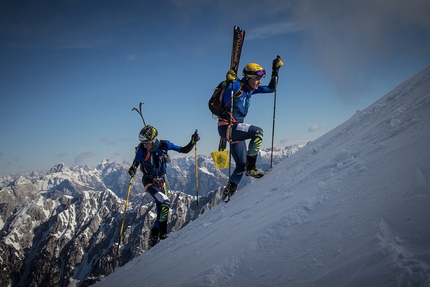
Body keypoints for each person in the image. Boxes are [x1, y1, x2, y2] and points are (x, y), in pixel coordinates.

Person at [218, 56, 283, 200]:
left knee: (240, 167)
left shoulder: (250, 90)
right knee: (258, 133)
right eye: (257, 79)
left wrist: (275, 70)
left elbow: (272, 88)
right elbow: (226, 85)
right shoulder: (237, 86)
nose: (259, 82)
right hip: (228, 127)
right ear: (248, 77)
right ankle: (251, 167)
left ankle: (227, 195)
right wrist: (228, 80)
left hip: (235, 128)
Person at [128, 125, 200, 247]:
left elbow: (184, 150)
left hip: (161, 183)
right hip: (149, 182)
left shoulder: (164, 145)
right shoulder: (142, 149)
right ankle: (163, 235)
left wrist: (192, 141)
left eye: (147, 143)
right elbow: (136, 162)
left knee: (162, 210)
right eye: (143, 143)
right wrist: (133, 168)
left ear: (153, 140)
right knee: (165, 202)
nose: (144, 145)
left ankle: (154, 235)